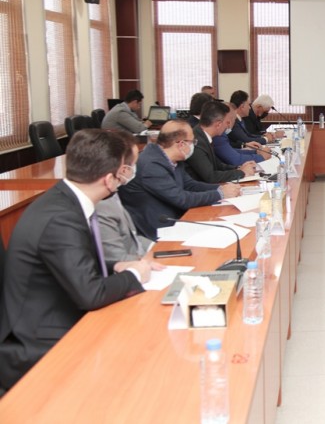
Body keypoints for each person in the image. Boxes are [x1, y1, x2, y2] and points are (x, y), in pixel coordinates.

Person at [0, 130, 150, 392]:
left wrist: (117, 266)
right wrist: (136, 274)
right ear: (109, 180)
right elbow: (91, 294)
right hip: (39, 342)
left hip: (58, 313)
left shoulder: (63, 200)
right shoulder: (62, 218)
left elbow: (75, 264)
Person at [119, 120, 241, 241]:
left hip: (177, 219)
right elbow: (181, 199)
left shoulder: (172, 158)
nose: (194, 145)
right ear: (181, 144)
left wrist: (221, 188)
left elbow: (190, 185)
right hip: (159, 230)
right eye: (193, 142)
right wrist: (220, 194)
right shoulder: (151, 165)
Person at [95, 132, 156, 263]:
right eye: (134, 163)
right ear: (124, 169)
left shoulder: (113, 191)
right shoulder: (102, 202)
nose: (136, 168)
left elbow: (131, 237)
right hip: (131, 265)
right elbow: (116, 257)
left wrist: (156, 248)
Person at [186, 101, 257, 183]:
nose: (228, 126)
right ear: (218, 124)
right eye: (227, 122)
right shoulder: (196, 141)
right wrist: (241, 172)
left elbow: (218, 165)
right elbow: (211, 176)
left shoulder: (203, 135)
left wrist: (239, 168)